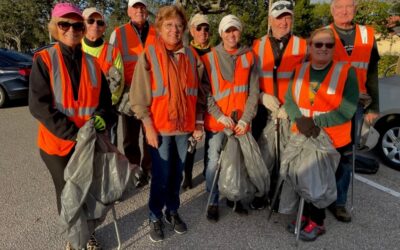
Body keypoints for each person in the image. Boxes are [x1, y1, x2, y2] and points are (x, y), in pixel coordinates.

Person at [29, 3, 115, 249]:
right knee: (68, 192)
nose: (72, 30)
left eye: (78, 25)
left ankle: (86, 233)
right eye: (64, 24)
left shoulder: (93, 63)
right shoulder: (44, 60)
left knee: (87, 190)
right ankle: (75, 238)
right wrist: (74, 134)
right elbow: (38, 106)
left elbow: (106, 105)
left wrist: (103, 118)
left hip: (87, 143)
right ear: (55, 28)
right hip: (57, 145)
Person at [130, 5, 207, 242]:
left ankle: (172, 211)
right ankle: (155, 215)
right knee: (161, 176)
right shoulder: (149, 54)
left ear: (184, 29)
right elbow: (139, 97)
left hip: (184, 129)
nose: (174, 30)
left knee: (177, 175)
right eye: (169, 25)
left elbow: (200, 92)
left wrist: (199, 121)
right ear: (160, 28)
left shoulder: (192, 56)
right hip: (160, 129)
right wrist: (148, 126)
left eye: (178, 26)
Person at [283, 28, 359, 241]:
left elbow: (347, 109)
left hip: (331, 139)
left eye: (329, 45)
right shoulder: (300, 70)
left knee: (319, 183)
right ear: (310, 47)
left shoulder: (346, 72)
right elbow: (290, 100)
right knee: (303, 177)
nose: (323, 49)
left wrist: (316, 122)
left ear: (334, 48)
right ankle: (305, 216)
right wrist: (299, 119)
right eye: (318, 44)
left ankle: (317, 222)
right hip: (303, 134)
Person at [327, 0, 380, 222]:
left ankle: (339, 202)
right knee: (326, 153)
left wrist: (375, 105)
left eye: (349, 6)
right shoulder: (324, 34)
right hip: (329, 105)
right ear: (332, 10)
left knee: (347, 155)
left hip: (356, 105)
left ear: (355, 9)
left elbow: (372, 73)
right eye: (339, 6)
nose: (344, 10)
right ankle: (321, 196)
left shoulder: (367, 35)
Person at [251, 0, 307, 209]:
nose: (284, 22)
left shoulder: (303, 46)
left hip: (289, 112)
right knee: (264, 154)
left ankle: (279, 196)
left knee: (286, 156)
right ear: (270, 19)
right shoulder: (258, 45)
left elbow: (307, 81)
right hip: (264, 110)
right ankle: (261, 192)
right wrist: (261, 96)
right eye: (279, 17)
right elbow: (249, 80)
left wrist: (292, 106)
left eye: (288, 17)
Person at [203, 14, 259, 222]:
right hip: (219, 123)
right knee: (214, 162)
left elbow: (254, 92)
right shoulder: (209, 58)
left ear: (240, 31)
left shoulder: (250, 56)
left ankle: (234, 199)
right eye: (227, 30)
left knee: (237, 163)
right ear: (221, 33)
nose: (231, 34)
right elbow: (205, 93)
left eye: (235, 29)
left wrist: (246, 119)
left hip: (241, 122)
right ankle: (213, 200)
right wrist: (219, 116)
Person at [109, 0, 156, 187]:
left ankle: (149, 168)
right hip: (128, 94)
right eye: (135, 7)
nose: (139, 10)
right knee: (130, 137)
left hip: (153, 94)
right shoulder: (118, 33)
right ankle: (134, 169)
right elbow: (112, 65)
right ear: (128, 11)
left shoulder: (157, 32)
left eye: (142, 7)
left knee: (150, 135)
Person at [82, 7, 124, 146]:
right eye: (91, 21)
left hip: (107, 110)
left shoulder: (113, 51)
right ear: (83, 23)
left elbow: (119, 82)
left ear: (105, 27)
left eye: (100, 22)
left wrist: (107, 106)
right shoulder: (75, 47)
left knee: (109, 149)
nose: (95, 25)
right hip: (82, 110)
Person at [181, 13, 212, 189]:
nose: (202, 32)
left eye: (206, 29)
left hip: (212, 103)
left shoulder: (214, 52)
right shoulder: (186, 53)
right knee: (190, 143)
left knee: (211, 141)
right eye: (198, 28)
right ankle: (187, 176)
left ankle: (209, 172)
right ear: (192, 31)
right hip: (192, 104)